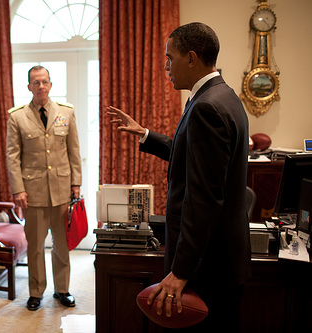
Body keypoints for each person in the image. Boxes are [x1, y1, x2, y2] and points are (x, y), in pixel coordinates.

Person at [107, 22, 251, 332]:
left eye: (169, 58)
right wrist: (146, 134)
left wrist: (181, 271)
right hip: (223, 257)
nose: (165, 66)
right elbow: (192, 157)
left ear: (191, 57)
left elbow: (204, 198)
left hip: (206, 266)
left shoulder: (206, 107)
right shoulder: (222, 96)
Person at [6, 65, 82, 311]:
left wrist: (76, 183)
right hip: (33, 193)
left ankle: (62, 290)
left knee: (62, 246)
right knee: (36, 247)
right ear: (29, 86)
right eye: (35, 82)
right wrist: (18, 189)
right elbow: (13, 156)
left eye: (45, 82)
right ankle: (36, 292)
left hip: (61, 190)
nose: (41, 86)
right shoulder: (17, 116)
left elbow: (74, 151)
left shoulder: (66, 113)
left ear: (50, 85)